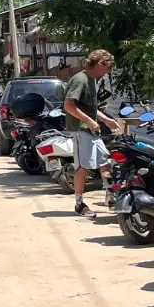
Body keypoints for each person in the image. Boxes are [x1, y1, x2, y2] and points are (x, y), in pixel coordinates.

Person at [62, 49, 121, 216]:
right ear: (100, 64)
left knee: (105, 160)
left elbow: (90, 108)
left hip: (91, 129)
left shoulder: (93, 80)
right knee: (82, 167)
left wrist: (104, 119)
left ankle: (110, 197)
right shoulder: (81, 80)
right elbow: (68, 105)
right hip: (81, 130)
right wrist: (88, 120)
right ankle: (79, 204)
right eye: (109, 67)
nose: (109, 71)